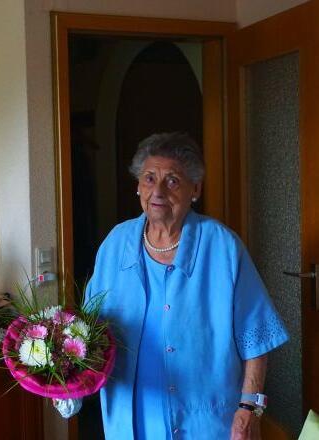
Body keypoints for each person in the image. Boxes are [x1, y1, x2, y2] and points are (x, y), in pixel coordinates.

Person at [84, 132, 288, 439]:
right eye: (149, 178)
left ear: (195, 189)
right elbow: (87, 331)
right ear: (138, 185)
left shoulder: (222, 246)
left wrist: (249, 408)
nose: (158, 191)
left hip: (207, 423)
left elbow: (256, 336)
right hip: (130, 420)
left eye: (173, 180)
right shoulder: (115, 244)